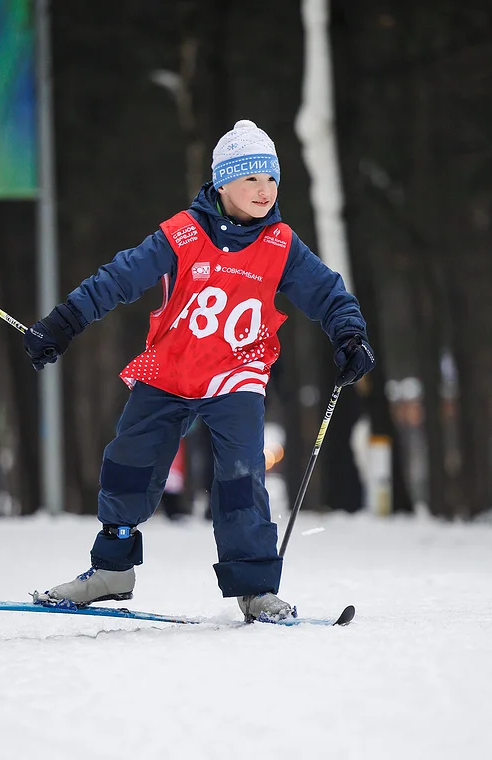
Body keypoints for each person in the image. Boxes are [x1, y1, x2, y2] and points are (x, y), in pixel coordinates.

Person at [24, 120, 375, 622]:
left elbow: (329, 293)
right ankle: (112, 570)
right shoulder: (183, 233)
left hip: (237, 375)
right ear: (222, 183)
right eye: (251, 178)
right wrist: (62, 323)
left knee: (241, 475)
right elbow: (119, 278)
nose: (264, 190)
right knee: (129, 463)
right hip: (170, 369)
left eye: (271, 179)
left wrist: (351, 335)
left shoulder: (280, 243)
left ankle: (255, 588)